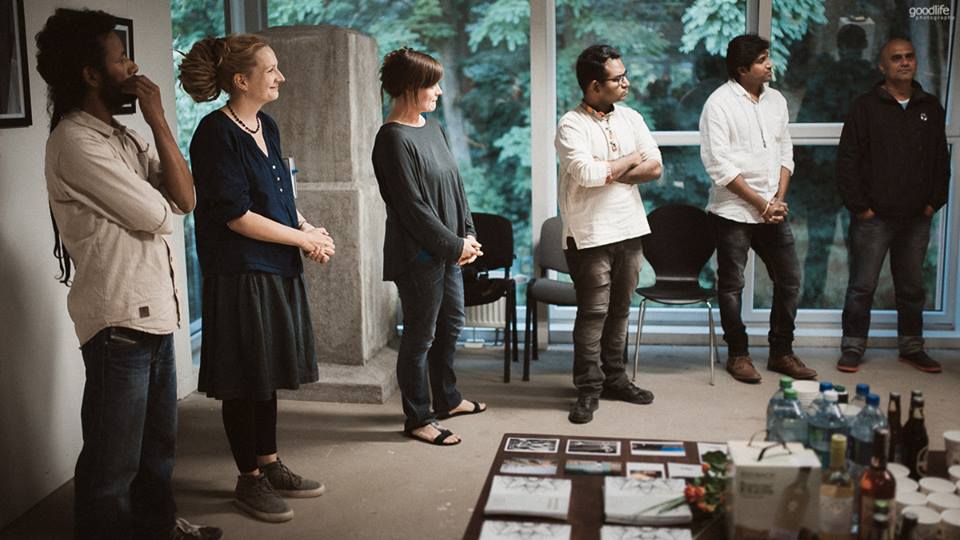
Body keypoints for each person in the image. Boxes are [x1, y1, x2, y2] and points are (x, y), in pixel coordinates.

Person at [36, 8, 221, 540]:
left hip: (155, 311)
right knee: (111, 464)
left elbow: (185, 198)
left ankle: (159, 528)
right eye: (121, 59)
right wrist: (156, 120)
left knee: (156, 452)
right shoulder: (75, 142)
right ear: (90, 74)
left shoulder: (122, 136)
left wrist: (158, 122)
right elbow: (159, 215)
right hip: (118, 322)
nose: (133, 67)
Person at [180, 34, 333, 522]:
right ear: (241, 80)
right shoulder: (214, 133)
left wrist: (307, 229)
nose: (280, 77)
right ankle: (248, 479)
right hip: (240, 272)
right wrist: (302, 241)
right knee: (244, 378)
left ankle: (269, 464)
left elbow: (278, 195)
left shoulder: (266, 124)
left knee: (264, 376)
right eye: (270, 70)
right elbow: (237, 217)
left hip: (275, 266)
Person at [372, 47, 487, 446]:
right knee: (421, 337)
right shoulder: (392, 139)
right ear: (409, 87)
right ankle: (418, 418)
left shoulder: (432, 127)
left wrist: (467, 235)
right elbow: (413, 209)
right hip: (418, 256)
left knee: (451, 324)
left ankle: (447, 399)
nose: (439, 92)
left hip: (447, 249)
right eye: (432, 85)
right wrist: (454, 245)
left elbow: (456, 186)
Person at [699, 34, 818, 384]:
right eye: (762, 60)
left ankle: (781, 352)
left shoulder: (776, 100)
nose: (770, 65)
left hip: (772, 210)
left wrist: (776, 200)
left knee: (790, 280)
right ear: (741, 69)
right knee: (731, 285)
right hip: (732, 212)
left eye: (768, 57)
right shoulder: (718, 104)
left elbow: (785, 152)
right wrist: (762, 204)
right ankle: (738, 355)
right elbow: (719, 166)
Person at [555, 44, 662, 425]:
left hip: (630, 229)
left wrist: (611, 168)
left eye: (624, 75)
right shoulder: (571, 125)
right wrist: (630, 160)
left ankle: (616, 379)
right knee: (594, 313)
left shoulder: (631, 118)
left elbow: (655, 167)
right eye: (618, 79)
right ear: (595, 86)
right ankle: (588, 388)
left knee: (619, 311)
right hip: (589, 235)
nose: (626, 83)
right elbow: (586, 174)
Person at [835, 38, 950, 374]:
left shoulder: (930, 106)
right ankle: (853, 346)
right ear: (882, 67)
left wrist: (933, 203)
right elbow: (847, 162)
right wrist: (861, 208)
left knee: (912, 288)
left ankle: (912, 347)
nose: (905, 62)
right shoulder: (865, 107)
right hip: (874, 218)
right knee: (862, 287)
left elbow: (940, 161)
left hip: (916, 217)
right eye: (896, 58)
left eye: (909, 57)